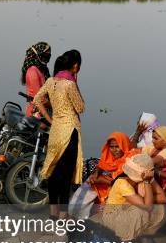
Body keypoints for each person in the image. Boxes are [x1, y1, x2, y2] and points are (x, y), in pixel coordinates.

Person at [34, 50, 84, 219]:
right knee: (65, 174)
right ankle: (63, 214)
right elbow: (81, 108)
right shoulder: (70, 84)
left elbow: (36, 100)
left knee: (54, 173)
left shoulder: (50, 81)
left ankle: (53, 213)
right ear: (75, 66)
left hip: (55, 130)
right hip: (70, 132)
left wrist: (49, 118)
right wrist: (76, 82)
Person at [91, 153, 166, 242]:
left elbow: (163, 198)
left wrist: (146, 197)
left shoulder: (147, 179)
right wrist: (147, 184)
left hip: (127, 211)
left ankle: (140, 233)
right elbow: (147, 206)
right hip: (113, 215)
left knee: (159, 208)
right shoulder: (122, 183)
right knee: (141, 210)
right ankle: (124, 237)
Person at [88, 132, 139, 204]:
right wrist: (96, 174)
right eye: (112, 147)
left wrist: (105, 181)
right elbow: (102, 165)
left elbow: (127, 184)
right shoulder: (112, 159)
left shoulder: (131, 159)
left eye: (117, 146)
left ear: (124, 145)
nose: (114, 150)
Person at [20, 42, 51, 117]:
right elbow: (40, 99)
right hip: (36, 115)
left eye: (49, 55)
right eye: (45, 55)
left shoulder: (43, 70)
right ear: (38, 54)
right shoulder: (32, 71)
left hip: (45, 112)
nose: (47, 58)